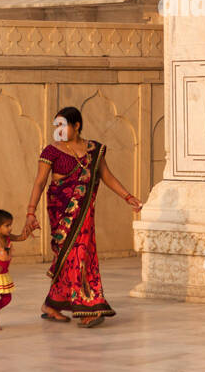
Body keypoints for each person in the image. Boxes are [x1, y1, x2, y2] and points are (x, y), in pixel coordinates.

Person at [22, 106, 143, 328]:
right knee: (74, 255)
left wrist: (128, 197)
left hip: (85, 212)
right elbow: (39, 182)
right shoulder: (51, 151)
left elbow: (106, 176)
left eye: (63, 125)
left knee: (80, 255)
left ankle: (53, 305)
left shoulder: (94, 150)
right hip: (62, 213)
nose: (58, 130)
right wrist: (30, 212)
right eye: (56, 126)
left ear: (76, 125)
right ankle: (86, 307)